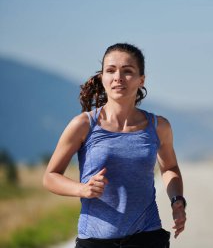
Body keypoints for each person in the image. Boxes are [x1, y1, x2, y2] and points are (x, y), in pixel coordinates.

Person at [43, 43, 186, 248]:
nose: (118, 77)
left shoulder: (159, 126)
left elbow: (170, 167)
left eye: (127, 71)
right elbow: (50, 177)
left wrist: (177, 200)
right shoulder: (83, 124)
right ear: (102, 77)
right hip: (95, 240)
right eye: (111, 70)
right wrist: (82, 189)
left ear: (141, 80)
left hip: (147, 237)